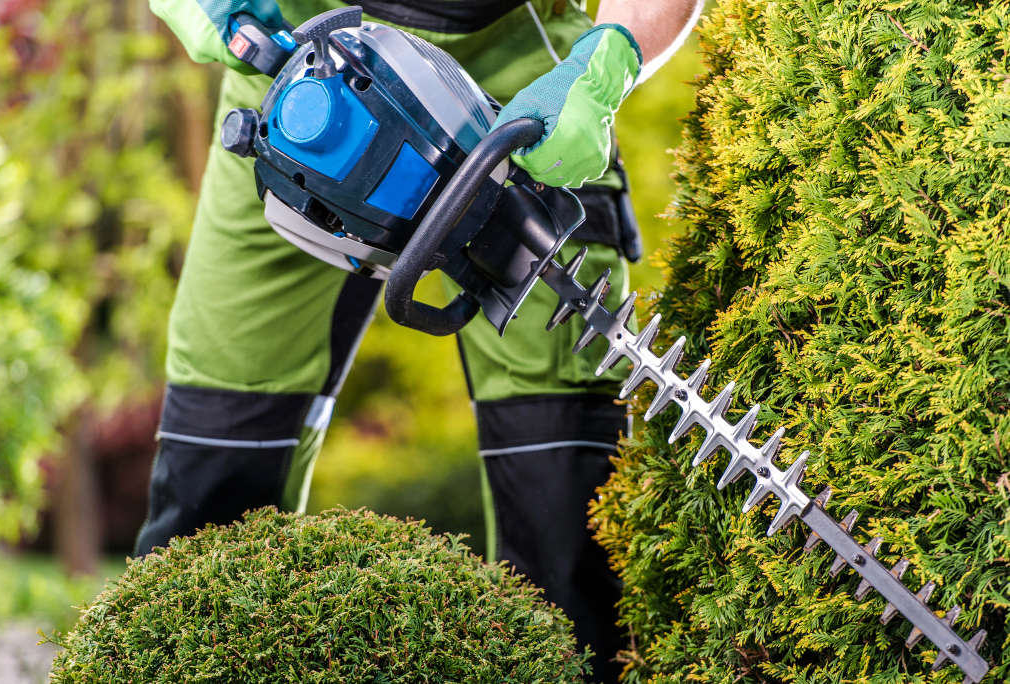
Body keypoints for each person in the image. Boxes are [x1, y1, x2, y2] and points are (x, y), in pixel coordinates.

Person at [137, 1, 703, 680]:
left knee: (569, 513)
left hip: (519, 72)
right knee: (211, 473)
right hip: (299, 80)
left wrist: (608, 57)